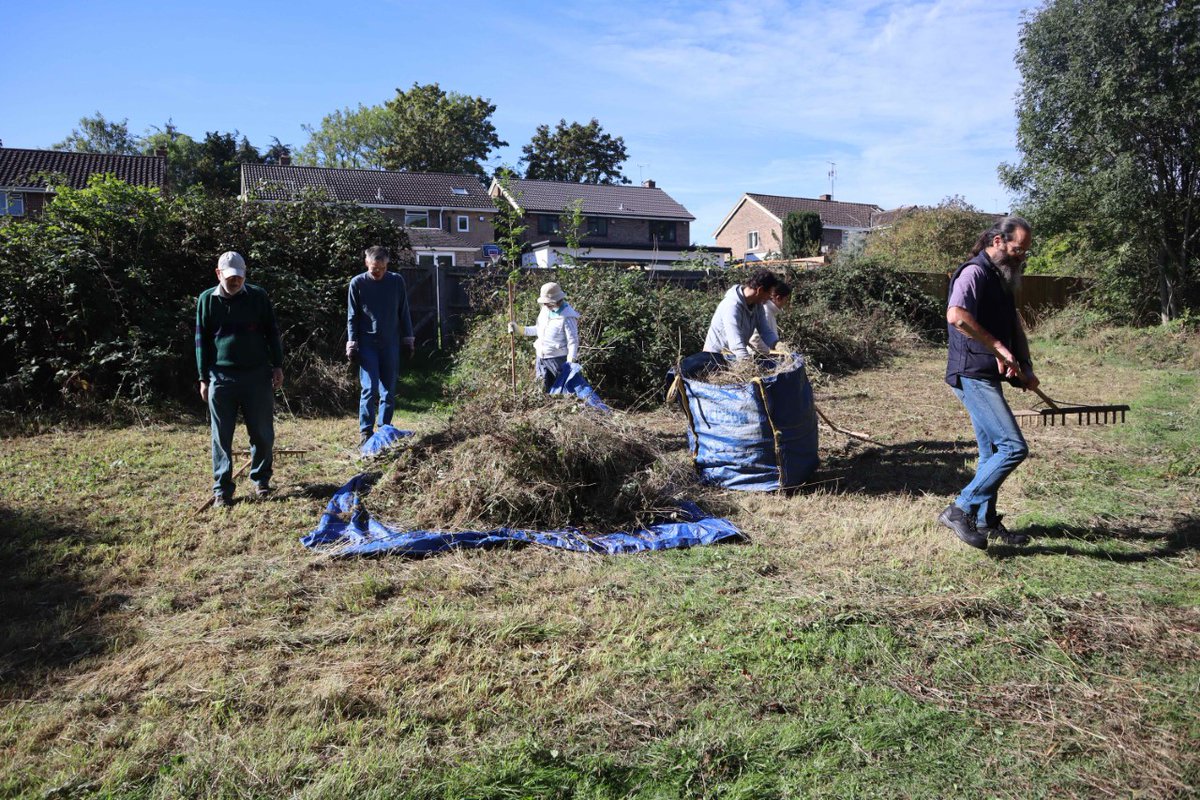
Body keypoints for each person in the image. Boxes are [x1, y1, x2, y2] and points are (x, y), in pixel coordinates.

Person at [939, 216, 1038, 549]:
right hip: (971, 374)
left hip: (987, 375)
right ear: (998, 241)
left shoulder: (1002, 279)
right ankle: (961, 508)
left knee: (992, 451)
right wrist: (996, 347)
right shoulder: (974, 272)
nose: (1021, 256)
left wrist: (1023, 363)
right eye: (1017, 249)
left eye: (1025, 251)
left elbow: (1014, 326)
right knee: (1013, 447)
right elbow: (957, 316)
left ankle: (985, 520)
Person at [195, 251, 285, 508]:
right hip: (221, 377)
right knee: (221, 436)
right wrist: (203, 378)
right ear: (218, 274)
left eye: (239, 277)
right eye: (230, 277)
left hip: (257, 376)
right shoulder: (206, 300)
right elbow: (201, 341)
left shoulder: (258, 296)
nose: (235, 282)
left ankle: (261, 480)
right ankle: (222, 489)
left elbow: (272, 332)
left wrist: (277, 365)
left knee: (262, 433)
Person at [346, 246, 414, 446]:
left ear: (387, 265)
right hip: (367, 343)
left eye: (382, 268)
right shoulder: (357, 283)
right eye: (375, 268)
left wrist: (408, 338)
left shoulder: (396, 281)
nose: (378, 272)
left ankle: (384, 428)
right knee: (369, 388)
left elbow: (404, 311)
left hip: (390, 343)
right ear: (367, 263)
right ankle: (365, 432)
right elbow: (352, 316)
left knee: (388, 390)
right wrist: (352, 343)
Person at [507, 281, 581, 392]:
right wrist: (519, 329)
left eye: (548, 302)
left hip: (558, 361)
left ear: (557, 300)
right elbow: (538, 330)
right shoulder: (545, 311)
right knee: (541, 389)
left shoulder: (568, 316)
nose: (545, 305)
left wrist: (570, 363)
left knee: (560, 392)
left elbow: (573, 342)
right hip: (541, 358)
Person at [703, 268, 781, 361]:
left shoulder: (757, 306)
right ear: (760, 290)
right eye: (768, 294)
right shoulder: (732, 306)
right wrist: (747, 364)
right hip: (716, 359)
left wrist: (778, 345)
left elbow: (765, 331)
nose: (769, 298)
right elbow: (736, 343)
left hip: (734, 358)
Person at [750, 281, 792, 355]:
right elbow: (755, 339)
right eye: (786, 299)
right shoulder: (765, 311)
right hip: (759, 358)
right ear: (778, 298)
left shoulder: (769, 311)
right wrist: (771, 353)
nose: (786, 303)